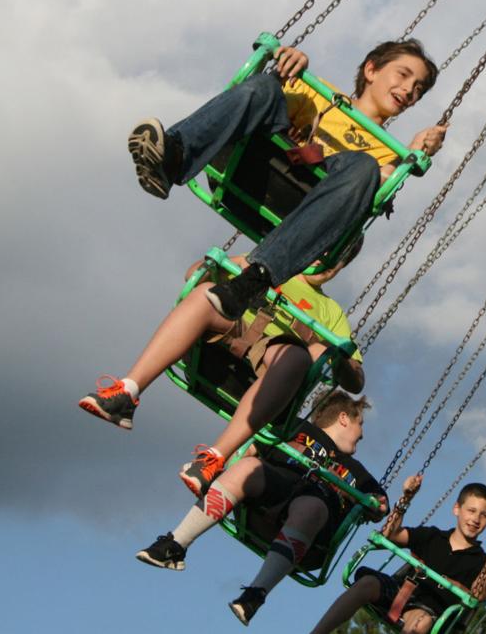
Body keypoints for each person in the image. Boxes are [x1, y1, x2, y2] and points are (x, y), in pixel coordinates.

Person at [126, 39, 446, 321]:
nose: (409, 90)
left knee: (362, 166)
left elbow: (379, 187)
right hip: (253, 174)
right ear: (372, 70)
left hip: (301, 213)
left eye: (418, 89)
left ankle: (253, 281)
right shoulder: (316, 92)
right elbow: (262, 104)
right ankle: (172, 160)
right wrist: (288, 64)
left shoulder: (386, 153)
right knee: (264, 87)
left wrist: (412, 155)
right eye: (403, 75)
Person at [78, 244, 365, 496]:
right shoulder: (274, 261)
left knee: (301, 357)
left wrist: (338, 359)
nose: (324, 260)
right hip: (227, 335)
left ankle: (214, 458)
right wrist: (229, 263)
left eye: (335, 258)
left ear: (341, 266)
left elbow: (356, 379)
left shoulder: (332, 313)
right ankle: (127, 392)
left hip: (272, 362)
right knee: (205, 292)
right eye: (322, 249)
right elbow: (193, 274)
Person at [135, 391, 388, 627]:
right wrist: (229, 465)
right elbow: (253, 446)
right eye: (360, 424)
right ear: (344, 418)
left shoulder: (356, 471)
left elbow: (380, 504)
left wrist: (377, 504)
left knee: (310, 507)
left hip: (312, 526)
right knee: (246, 467)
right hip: (270, 496)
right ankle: (175, 544)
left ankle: (255, 594)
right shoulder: (298, 428)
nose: (362, 434)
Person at [308, 477, 486, 634]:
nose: (476, 519)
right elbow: (390, 534)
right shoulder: (433, 536)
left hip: (433, 613)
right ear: (457, 509)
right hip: (401, 592)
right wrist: (405, 499)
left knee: (420, 623)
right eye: (471, 511)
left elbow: (478, 595)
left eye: (484, 515)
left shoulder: (482, 560)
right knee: (367, 583)